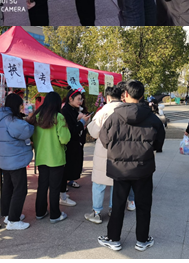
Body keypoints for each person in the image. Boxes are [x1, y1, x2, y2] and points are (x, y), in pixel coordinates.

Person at [98, 80, 166, 252]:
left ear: (125, 94)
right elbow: (159, 143)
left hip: (120, 169)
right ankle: (142, 240)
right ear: (142, 95)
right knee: (143, 205)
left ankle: (113, 239)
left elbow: (104, 139)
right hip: (143, 168)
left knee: (118, 204)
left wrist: (117, 150)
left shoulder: (114, 116)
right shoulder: (153, 118)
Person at [0, 92, 34, 230]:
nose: (21, 108)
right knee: (20, 189)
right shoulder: (11, 120)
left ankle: (9, 215)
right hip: (15, 159)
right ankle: (13, 221)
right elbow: (27, 130)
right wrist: (29, 120)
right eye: (20, 106)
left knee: (8, 188)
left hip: (4, 159)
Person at [27, 91, 71, 223]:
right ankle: (55, 215)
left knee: (42, 186)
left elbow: (31, 137)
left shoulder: (36, 117)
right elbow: (64, 139)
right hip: (56, 158)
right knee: (55, 187)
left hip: (41, 157)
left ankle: (40, 212)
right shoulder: (59, 117)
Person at [84, 83, 125, 224]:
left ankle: (96, 213)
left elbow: (94, 132)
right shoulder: (127, 110)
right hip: (121, 151)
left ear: (107, 98)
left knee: (99, 183)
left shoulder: (103, 111)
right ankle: (114, 210)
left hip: (103, 151)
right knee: (116, 183)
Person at [60, 89, 90, 207]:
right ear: (70, 99)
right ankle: (62, 195)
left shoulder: (72, 110)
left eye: (81, 99)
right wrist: (81, 122)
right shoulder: (66, 111)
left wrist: (81, 122)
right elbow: (71, 130)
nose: (80, 101)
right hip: (69, 146)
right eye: (78, 99)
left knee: (69, 170)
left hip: (74, 145)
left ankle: (62, 193)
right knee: (65, 171)